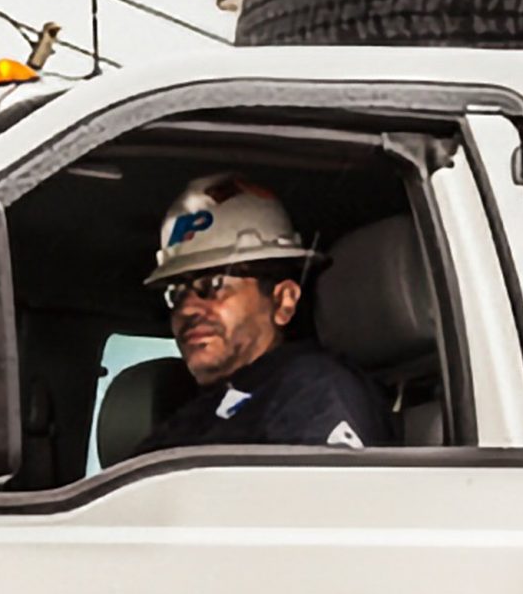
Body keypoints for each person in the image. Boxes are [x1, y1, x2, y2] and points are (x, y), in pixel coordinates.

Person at [133, 173, 390, 454]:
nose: (187, 308)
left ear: (283, 302)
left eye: (213, 285)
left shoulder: (312, 391)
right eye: (177, 293)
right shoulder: (196, 414)